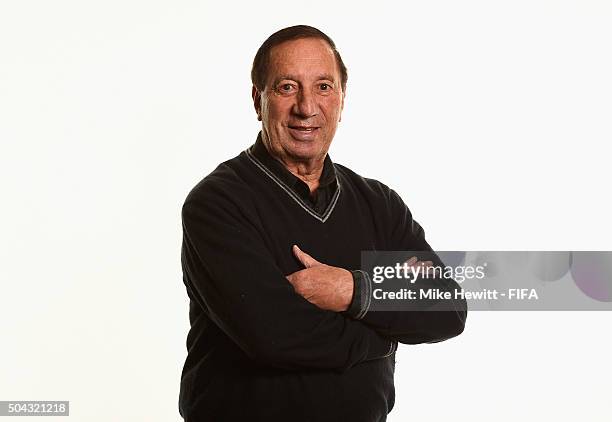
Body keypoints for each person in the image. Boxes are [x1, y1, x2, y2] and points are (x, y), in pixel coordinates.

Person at [178, 25, 467, 422]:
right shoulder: (219, 203)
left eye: (324, 87)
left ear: (342, 99)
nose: (307, 107)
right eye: (287, 87)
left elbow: (446, 307)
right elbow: (275, 337)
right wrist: (386, 336)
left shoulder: (378, 203)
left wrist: (354, 290)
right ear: (257, 98)